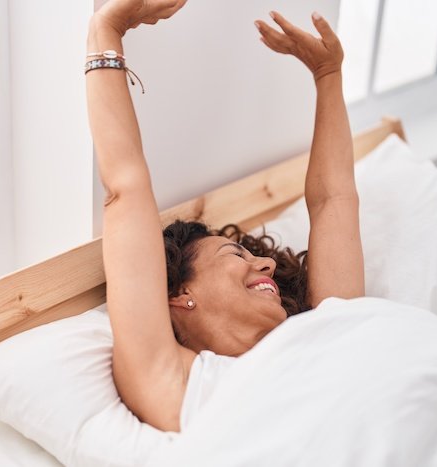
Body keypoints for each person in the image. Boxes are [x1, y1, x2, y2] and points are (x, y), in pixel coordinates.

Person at [85, 0, 363, 433]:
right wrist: (106, 28)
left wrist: (329, 77)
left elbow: (334, 201)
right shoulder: (181, 387)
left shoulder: (328, 321)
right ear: (180, 295)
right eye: (236, 254)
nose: (267, 263)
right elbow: (125, 189)